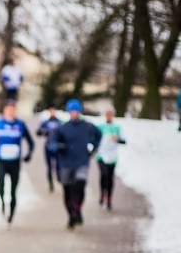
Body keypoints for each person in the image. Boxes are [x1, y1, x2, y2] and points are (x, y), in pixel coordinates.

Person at [51, 98, 102, 231]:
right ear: (68, 112)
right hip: (66, 163)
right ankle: (72, 216)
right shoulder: (63, 128)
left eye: (76, 111)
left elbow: (98, 134)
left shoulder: (87, 126)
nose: (74, 113)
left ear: (79, 112)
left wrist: (94, 148)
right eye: (71, 111)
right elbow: (53, 141)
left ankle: (77, 210)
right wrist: (57, 146)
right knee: (67, 192)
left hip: (81, 162)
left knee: (79, 187)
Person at [0, 99, 34, 225]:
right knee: (1, 186)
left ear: (15, 110)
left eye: (12, 109)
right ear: (4, 110)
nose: (10, 111)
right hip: (1, 162)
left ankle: (11, 215)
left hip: (15, 163)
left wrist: (29, 154)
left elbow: (31, 142)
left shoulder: (21, 125)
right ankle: (3, 203)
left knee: (13, 191)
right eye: (8, 109)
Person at [96, 108, 126, 210]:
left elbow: (124, 141)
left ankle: (109, 199)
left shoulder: (117, 128)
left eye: (110, 114)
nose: (108, 116)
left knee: (110, 177)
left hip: (112, 156)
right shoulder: (100, 127)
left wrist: (117, 139)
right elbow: (94, 139)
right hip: (101, 155)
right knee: (103, 174)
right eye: (107, 114)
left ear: (113, 115)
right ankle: (102, 194)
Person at [35, 104, 63, 192]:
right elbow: (38, 132)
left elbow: (64, 134)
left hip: (57, 146)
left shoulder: (59, 122)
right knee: (49, 166)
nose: (52, 112)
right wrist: (43, 132)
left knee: (58, 165)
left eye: (53, 111)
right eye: (51, 111)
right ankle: (51, 184)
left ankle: (59, 177)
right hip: (48, 146)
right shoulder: (45, 122)